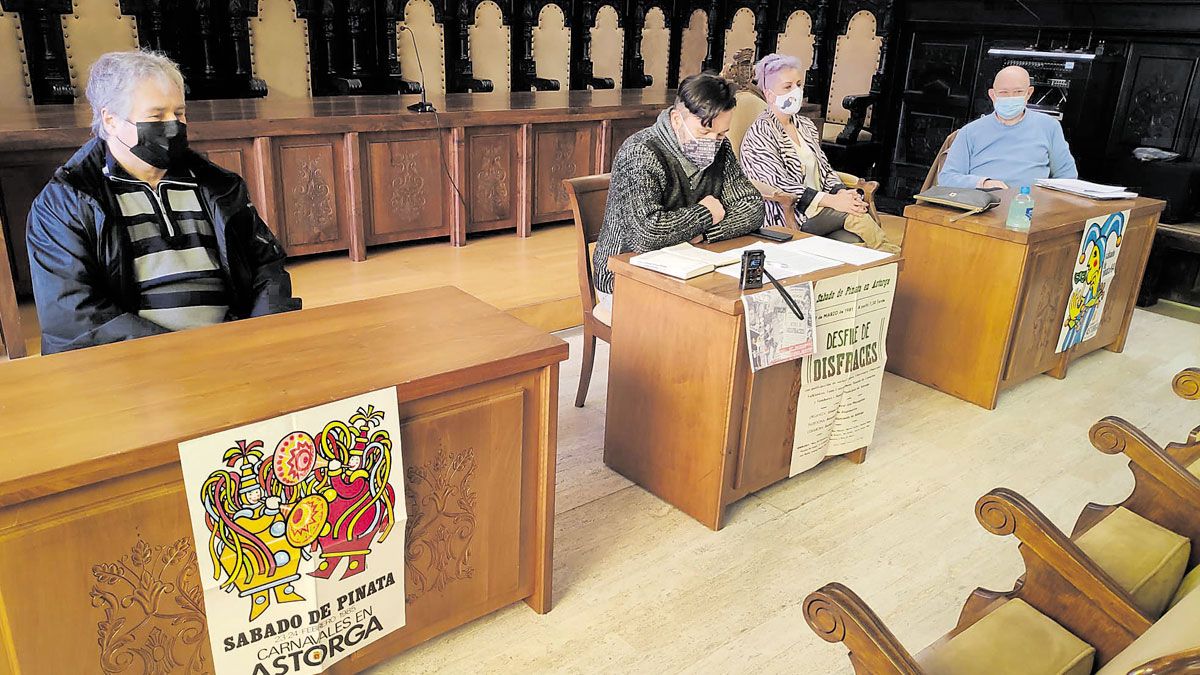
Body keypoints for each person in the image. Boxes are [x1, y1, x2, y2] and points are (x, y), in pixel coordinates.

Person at [27, 50, 300, 355]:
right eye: (156, 116)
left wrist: (264, 334)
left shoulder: (218, 186)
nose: (173, 126)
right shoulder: (65, 202)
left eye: (179, 114)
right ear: (111, 120)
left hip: (232, 347)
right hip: (134, 363)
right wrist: (181, 353)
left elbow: (267, 267)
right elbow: (74, 316)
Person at [591, 73, 764, 312]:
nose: (713, 142)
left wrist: (704, 234)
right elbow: (646, 234)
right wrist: (706, 213)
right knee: (700, 324)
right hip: (625, 275)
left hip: (690, 266)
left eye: (722, 134)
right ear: (676, 119)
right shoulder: (641, 152)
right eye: (704, 133)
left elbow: (752, 207)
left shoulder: (721, 149)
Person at [739, 54, 897, 252]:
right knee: (856, 214)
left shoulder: (805, 125)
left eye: (798, 84)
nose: (796, 91)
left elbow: (824, 169)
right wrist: (834, 201)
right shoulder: (761, 132)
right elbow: (780, 185)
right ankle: (894, 257)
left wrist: (842, 192)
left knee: (854, 243)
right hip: (790, 211)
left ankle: (882, 264)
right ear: (770, 95)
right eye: (787, 87)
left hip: (823, 209)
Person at [938, 65, 1078, 189]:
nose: (1011, 98)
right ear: (992, 95)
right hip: (980, 205)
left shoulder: (1049, 127)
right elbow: (947, 177)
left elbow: (1066, 177)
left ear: (1028, 93)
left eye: (1017, 92)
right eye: (1004, 93)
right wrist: (983, 183)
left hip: (1029, 206)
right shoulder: (970, 132)